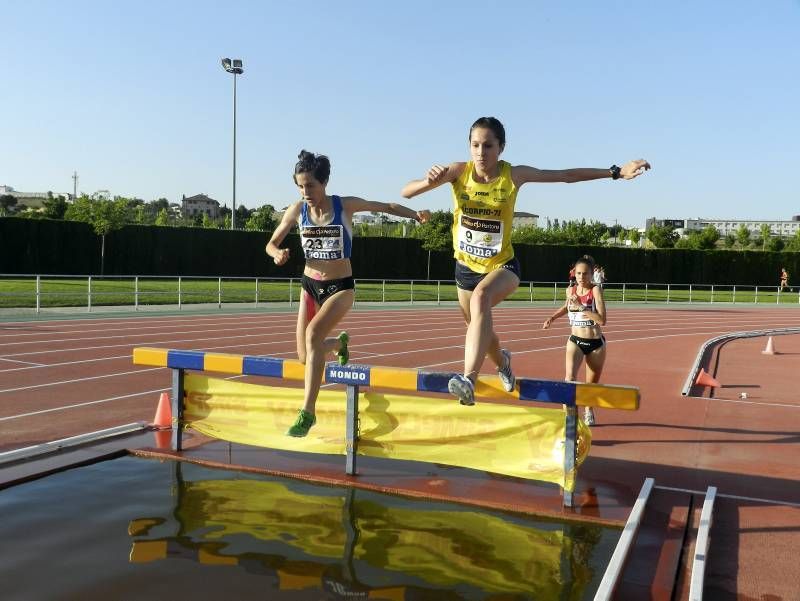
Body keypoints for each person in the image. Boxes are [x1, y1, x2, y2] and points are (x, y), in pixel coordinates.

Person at [401, 116, 650, 406]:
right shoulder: (458, 171)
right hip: (465, 269)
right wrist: (426, 181)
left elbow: (564, 175)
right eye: (475, 145)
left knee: (481, 300)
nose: (481, 152)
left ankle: (468, 379)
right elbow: (406, 192)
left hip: (502, 267)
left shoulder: (513, 175)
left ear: (501, 148)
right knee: (481, 331)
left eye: (489, 146)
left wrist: (616, 172)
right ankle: (503, 362)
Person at [267, 150, 430, 437]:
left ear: (324, 182)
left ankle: (308, 412)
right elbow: (271, 242)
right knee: (305, 356)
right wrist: (276, 253)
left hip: (340, 287)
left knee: (313, 335)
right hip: (309, 286)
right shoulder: (296, 210)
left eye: (311, 186)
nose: (306, 192)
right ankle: (338, 346)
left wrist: (415, 215)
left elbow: (387, 206)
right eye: (301, 186)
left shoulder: (345, 206)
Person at [542, 257, 607, 426]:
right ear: (574, 274)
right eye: (578, 273)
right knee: (569, 378)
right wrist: (552, 317)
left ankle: (589, 410)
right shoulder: (570, 290)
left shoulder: (596, 291)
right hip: (575, 341)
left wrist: (582, 307)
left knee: (590, 385)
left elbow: (602, 320)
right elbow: (566, 306)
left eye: (585, 273)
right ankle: (570, 419)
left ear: (592, 274)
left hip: (595, 344)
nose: (581, 277)